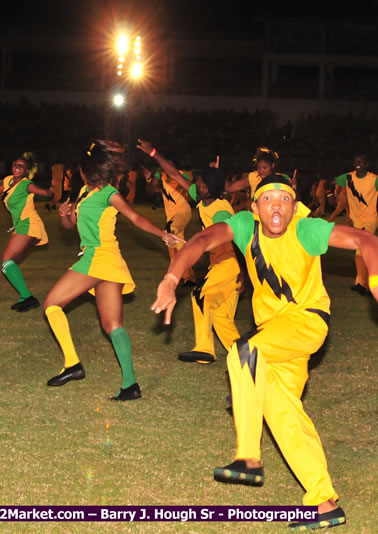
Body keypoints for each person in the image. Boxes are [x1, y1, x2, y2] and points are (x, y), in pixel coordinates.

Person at [151, 175, 378, 529]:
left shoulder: (306, 229)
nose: (276, 206)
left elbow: (366, 238)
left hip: (307, 323)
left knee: (243, 353)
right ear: (254, 207)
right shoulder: (244, 226)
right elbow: (202, 239)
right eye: (267, 199)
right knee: (284, 415)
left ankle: (248, 458)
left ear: (294, 206)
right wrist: (171, 278)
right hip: (275, 333)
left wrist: (375, 284)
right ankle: (324, 502)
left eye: (284, 199)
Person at [43, 140, 181, 400]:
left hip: (97, 257)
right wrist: (63, 213)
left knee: (51, 304)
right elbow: (69, 226)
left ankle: (72, 364)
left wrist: (161, 234)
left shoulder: (109, 193)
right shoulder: (84, 193)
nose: (80, 174)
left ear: (89, 170)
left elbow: (134, 217)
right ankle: (130, 385)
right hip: (108, 262)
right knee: (112, 324)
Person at [140, 141, 241, 364]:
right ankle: (244, 357)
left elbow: (239, 241)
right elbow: (174, 174)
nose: (196, 184)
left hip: (230, 264)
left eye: (201, 183)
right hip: (221, 263)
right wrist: (154, 153)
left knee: (199, 295)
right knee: (221, 315)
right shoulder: (205, 197)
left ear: (208, 189)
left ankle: (205, 349)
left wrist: (244, 274)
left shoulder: (221, 212)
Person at [0, 155, 53, 312]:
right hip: (21, 227)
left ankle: (28, 298)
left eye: (21, 165)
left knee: (6, 260)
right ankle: (26, 297)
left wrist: (51, 192)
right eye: (14, 164)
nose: (17, 166)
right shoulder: (8, 181)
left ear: (26, 171)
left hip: (30, 224)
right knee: (9, 263)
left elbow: (44, 193)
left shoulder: (27, 185)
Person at [138, 144, 196, 285]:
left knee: (169, 232)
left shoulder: (185, 175)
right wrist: (149, 179)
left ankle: (173, 272)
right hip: (170, 216)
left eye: (168, 164)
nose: (165, 167)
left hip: (183, 212)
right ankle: (190, 277)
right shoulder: (161, 175)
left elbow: (188, 185)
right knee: (177, 243)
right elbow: (149, 193)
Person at [334, 155, 378, 295]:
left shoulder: (375, 179)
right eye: (355, 161)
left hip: (370, 219)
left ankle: (366, 285)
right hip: (356, 220)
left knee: (361, 250)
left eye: (361, 161)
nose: (357, 163)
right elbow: (335, 184)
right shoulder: (347, 178)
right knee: (361, 251)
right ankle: (363, 283)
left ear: (367, 164)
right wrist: (338, 196)